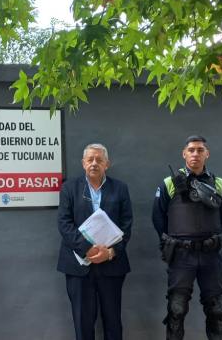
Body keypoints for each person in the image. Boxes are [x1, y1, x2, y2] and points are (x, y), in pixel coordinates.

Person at [152, 135, 222, 340]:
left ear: (207, 154)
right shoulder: (169, 183)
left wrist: (209, 238)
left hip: (210, 254)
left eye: (200, 150)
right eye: (191, 150)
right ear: (184, 154)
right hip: (181, 255)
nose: (196, 154)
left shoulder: (219, 184)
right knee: (176, 309)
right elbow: (158, 218)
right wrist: (172, 241)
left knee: (217, 310)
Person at [57, 143, 133, 340]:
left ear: (107, 164)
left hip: (112, 265)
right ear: (83, 163)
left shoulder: (120, 188)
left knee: (113, 321)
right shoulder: (69, 188)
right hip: (78, 267)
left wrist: (111, 252)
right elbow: (64, 223)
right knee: (83, 323)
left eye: (99, 160)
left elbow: (126, 225)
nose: (94, 163)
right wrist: (87, 249)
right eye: (90, 159)